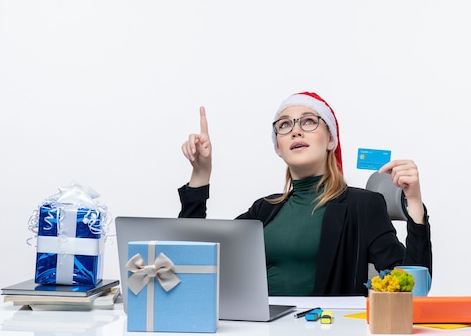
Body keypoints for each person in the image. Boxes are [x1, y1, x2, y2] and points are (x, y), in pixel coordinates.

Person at [178, 92, 432, 296]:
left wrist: (414, 203)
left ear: (331, 140)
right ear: (278, 147)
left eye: (309, 121)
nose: (296, 131)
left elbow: (412, 289)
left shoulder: (362, 205)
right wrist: (201, 175)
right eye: (285, 125)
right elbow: (190, 263)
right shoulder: (263, 210)